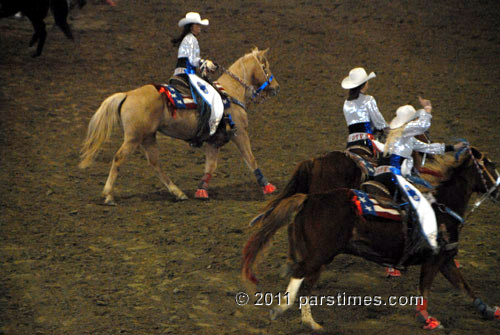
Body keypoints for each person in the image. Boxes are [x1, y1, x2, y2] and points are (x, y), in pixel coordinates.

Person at [373, 97, 464, 266]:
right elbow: (423, 126)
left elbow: (429, 148)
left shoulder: (398, 136)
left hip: (379, 176)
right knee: (424, 203)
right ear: (410, 121)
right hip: (394, 177)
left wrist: (453, 148)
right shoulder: (406, 131)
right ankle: (416, 244)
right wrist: (427, 110)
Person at [170, 12, 223, 137]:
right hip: (187, 75)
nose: (199, 28)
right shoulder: (192, 39)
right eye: (197, 25)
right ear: (192, 26)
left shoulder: (187, 39)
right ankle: (205, 127)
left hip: (181, 73)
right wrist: (206, 63)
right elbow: (193, 60)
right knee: (209, 96)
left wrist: (204, 65)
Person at [341, 67, 388, 157]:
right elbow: (379, 123)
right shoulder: (368, 99)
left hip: (351, 142)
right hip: (366, 141)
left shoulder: (346, 103)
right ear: (365, 84)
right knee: (389, 156)